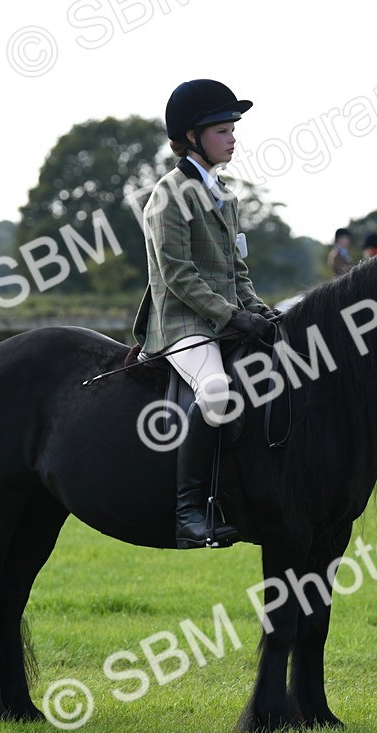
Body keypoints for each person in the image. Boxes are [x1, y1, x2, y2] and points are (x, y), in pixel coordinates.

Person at [132, 78, 280, 549]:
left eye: (233, 128)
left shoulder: (225, 195)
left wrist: (260, 311)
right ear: (193, 137)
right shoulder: (169, 195)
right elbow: (177, 274)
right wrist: (233, 318)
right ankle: (189, 512)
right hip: (180, 322)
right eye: (222, 129)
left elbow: (237, 270)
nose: (233, 137)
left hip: (221, 318)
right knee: (216, 390)